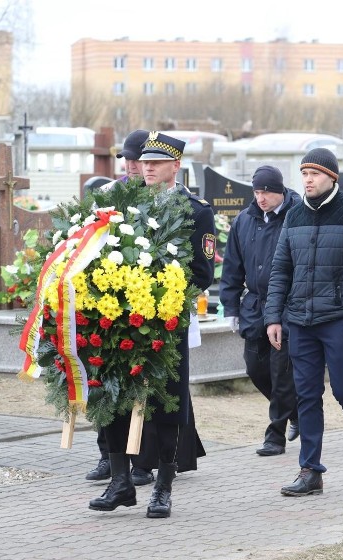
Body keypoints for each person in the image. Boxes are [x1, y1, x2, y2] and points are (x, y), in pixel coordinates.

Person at [89, 131, 216, 518]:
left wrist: (159, 292)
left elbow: (202, 271)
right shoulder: (124, 205)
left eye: (156, 162)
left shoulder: (196, 211)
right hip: (121, 318)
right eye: (144, 161)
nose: (147, 167)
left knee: (164, 404)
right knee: (111, 395)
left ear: (175, 166)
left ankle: (162, 486)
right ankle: (120, 482)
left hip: (165, 321)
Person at [265, 148, 343, 496]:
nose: (308, 180)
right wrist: (273, 315)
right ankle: (310, 471)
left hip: (339, 319)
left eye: (315, 174)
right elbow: (281, 269)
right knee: (306, 395)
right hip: (300, 319)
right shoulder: (294, 215)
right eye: (304, 174)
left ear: (331, 177)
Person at [86, 129, 155, 486]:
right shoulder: (108, 195)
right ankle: (107, 457)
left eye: (136, 160)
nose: (130, 166)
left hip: (145, 302)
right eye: (126, 160)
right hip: (108, 302)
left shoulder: (158, 196)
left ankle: (143, 461)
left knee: (141, 385)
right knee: (102, 379)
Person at [219, 165, 300, 456]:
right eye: (257, 192)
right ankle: (296, 411)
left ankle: (275, 435)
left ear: (279, 191)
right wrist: (229, 307)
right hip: (254, 305)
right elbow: (232, 266)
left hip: (288, 305)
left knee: (281, 372)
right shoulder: (244, 220)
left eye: (266, 192)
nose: (261, 198)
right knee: (255, 367)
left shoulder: (298, 215)